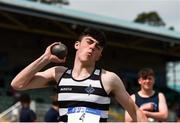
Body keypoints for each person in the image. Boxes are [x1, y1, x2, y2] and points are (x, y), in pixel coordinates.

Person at [11, 27, 147, 122]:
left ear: (99, 55)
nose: (93, 47)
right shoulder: (59, 73)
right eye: (89, 42)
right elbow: (18, 84)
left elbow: (136, 113)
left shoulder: (108, 78)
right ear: (77, 44)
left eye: (98, 47)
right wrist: (45, 58)